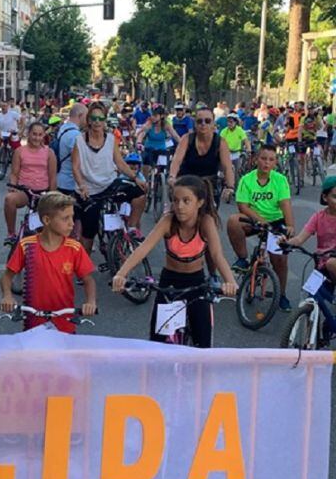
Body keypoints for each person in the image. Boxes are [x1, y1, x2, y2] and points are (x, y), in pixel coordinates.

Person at [112, 175, 237, 347]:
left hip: (197, 282)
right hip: (169, 282)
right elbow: (143, 249)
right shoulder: (168, 221)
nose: (179, 206)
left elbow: (217, 255)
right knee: (158, 343)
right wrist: (121, 273)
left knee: (203, 343)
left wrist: (230, 282)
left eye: (187, 201)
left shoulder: (205, 222)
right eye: (175, 200)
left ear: (199, 202)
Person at [0, 191, 97, 332]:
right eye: (65, 218)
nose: (71, 224)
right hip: (33, 320)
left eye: (72, 217)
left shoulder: (75, 248)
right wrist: (7, 296)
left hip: (65, 321)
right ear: (46, 220)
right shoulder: (26, 245)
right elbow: (7, 277)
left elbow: (88, 280)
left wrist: (90, 301)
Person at [283, 175, 336, 319]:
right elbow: (300, 238)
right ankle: (315, 333)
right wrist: (286, 243)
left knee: (333, 264)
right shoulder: (318, 217)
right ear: (325, 197)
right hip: (322, 263)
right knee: (311, 296)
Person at [71, 102, 147, 251]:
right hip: (89, 190)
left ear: (105, 120)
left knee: (140, 193)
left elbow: (119, 163)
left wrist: (135, 177)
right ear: (89, 120)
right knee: (88, 234)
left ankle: (131, 228)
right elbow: (75, 167)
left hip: (110, 184)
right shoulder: (79, 140)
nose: (97, 122)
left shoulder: (111, 139)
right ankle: (83, 270)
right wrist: (82, 185)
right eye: (94, 118)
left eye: (101, 118)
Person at [227, 144, 295, 310]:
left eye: (271, 160)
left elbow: (285, 204)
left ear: (275, 163)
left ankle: (282, 295)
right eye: (263, 158)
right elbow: (243, 206)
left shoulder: (280, 179)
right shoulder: (246, 180)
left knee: (279, 260)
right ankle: (242, 259)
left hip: (276, 221)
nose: (266, 163)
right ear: (256, 159)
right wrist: (259, 220)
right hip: (255, 220)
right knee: (233, 221)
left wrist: (290, 225)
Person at [168, 105, 236, 205]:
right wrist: (172, 177)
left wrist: (230, 187)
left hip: (209, 185)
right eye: (199, 121)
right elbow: (177, 160)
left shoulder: (220, 142)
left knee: (210, 217)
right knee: (177, 213)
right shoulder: (187, 139)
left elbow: (227, 167)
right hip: (186, 182)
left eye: (207, 121)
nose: (203, 124)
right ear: (195, 124)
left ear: (214, 124)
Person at [4, 121, 57, 242]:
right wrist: (13, 186)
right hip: (25, 191)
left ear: (43, 136)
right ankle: (11, 233)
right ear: (28, 134)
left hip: (43, 192)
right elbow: (14, 173)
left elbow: (53, 177)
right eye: (34, 134)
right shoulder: (20, 151)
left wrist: (53, 196)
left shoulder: (49, 153)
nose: (37, 138)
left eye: (40, 135)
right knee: (9, 199)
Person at [135, 105, 182, 178]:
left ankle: (160, 180)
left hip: (161, 150)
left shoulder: (166, 125)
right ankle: (146, 182)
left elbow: (175, 136)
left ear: (161, 116)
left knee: (162, 169)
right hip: (149, 149)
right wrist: (139, 143)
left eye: (155, 115)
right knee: (146, 168)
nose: (153, 117)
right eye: (152, 115)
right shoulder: (149, 124)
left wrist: (183, 144)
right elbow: (142, 134)